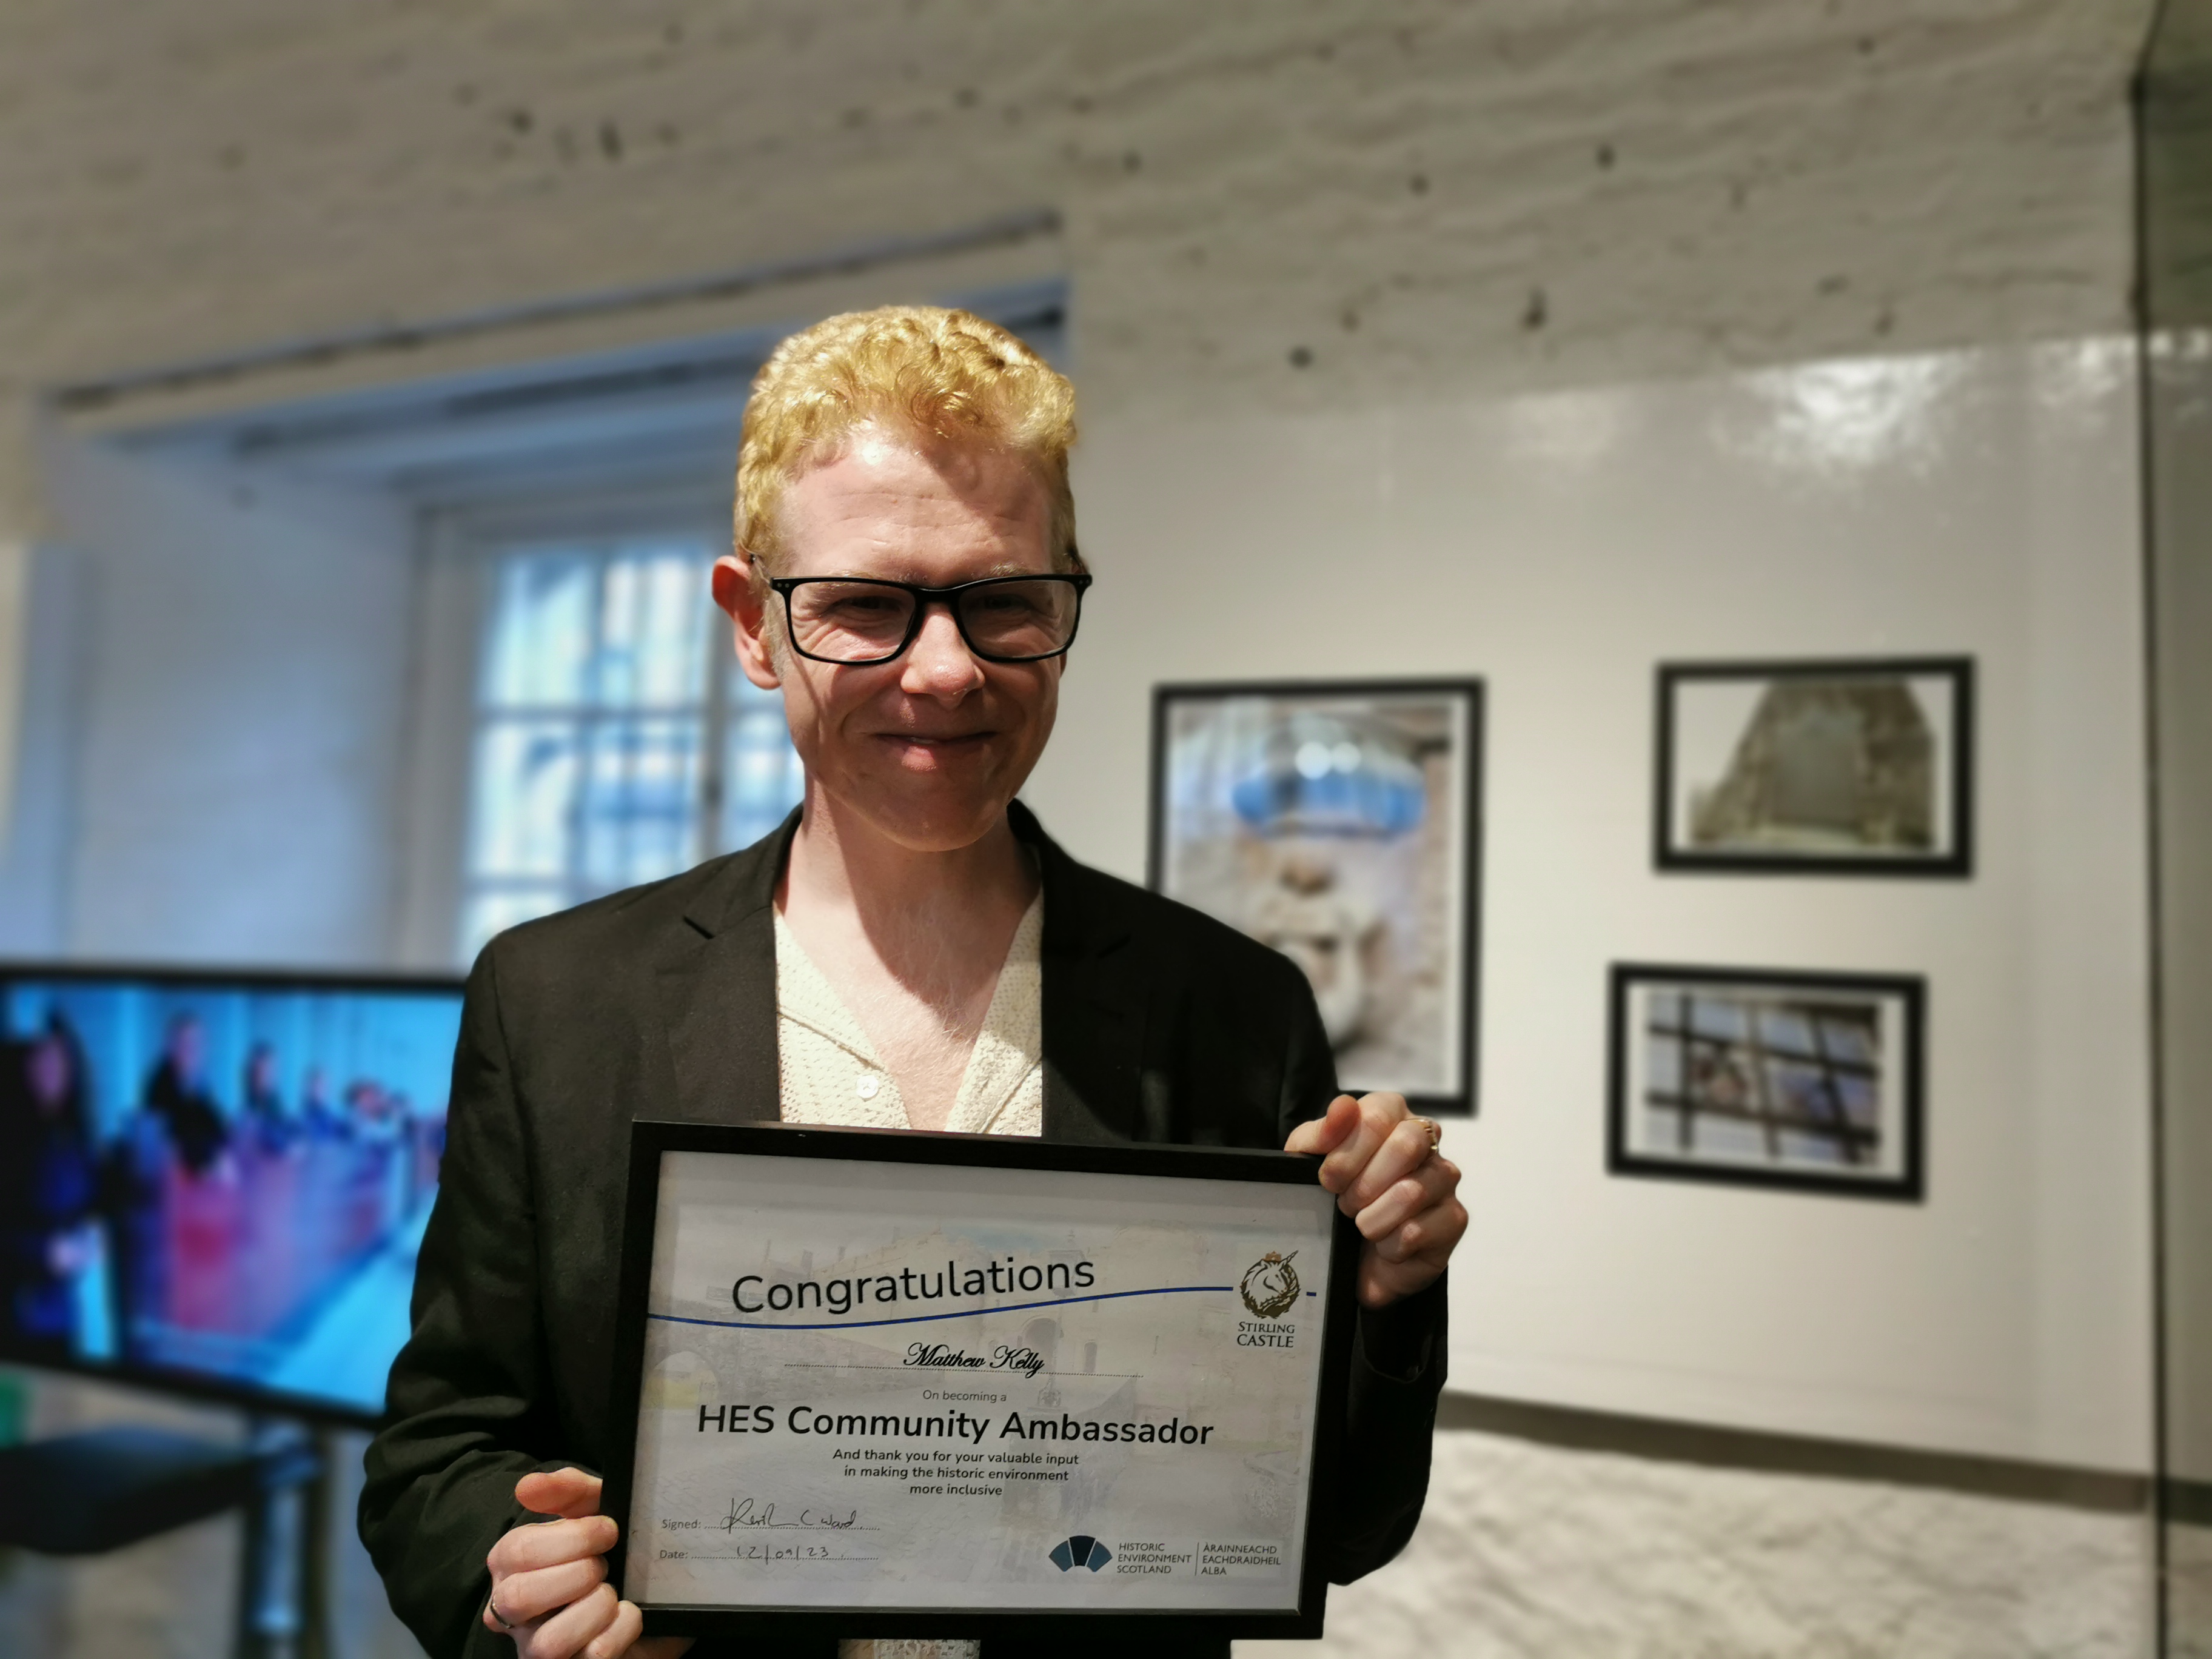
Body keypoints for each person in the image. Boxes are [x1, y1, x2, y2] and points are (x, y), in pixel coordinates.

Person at [360, 307, 1468, 1659]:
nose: (944, 671)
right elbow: (439, 1453)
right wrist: (517, 1575)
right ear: (754, 625)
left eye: (1003, 602)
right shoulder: (559, 999)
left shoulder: (1231, 1010)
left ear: (1065, 604)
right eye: (867, 607)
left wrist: (1380, 1295)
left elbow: (1337, 1530)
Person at [0, 1016, 102, 1355]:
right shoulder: (11, 1130)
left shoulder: (73, 1131)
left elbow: (91, 1198)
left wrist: (92, 1231)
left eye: (60, 1060)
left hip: (65, 1309)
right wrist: (44, 1252)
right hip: (18, 1314)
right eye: (41, 1058)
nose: (49, 1069)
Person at [144, 1011, 229, 1176]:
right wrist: (214, 1159)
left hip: (199, 1174)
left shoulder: (197, 1082)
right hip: (176, 1180)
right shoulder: (159, 1085)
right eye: (185, 1044)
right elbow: (173, 1145)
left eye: (197, 1044)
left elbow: (217, 1127)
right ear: (171, 1047)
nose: (193, 1051)